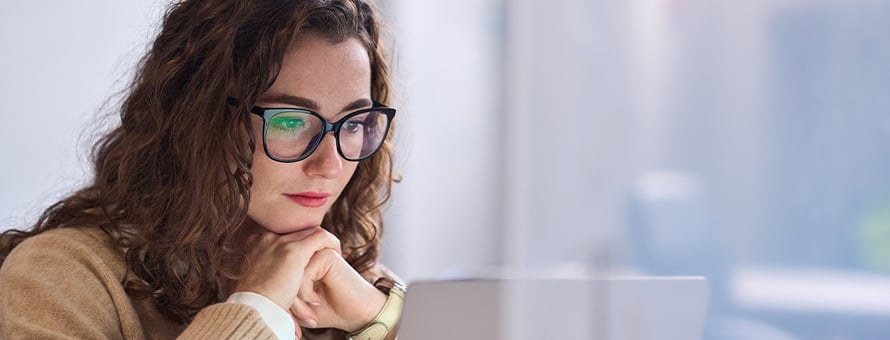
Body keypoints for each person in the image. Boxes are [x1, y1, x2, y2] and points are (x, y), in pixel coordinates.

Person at [0, 0, 403, 339]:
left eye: (353, 124)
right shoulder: (57, 278)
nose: (330, 165)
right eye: (290, 121)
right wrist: (255, 307)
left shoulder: (342, 274)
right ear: (199, 121)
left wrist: (380, 316)